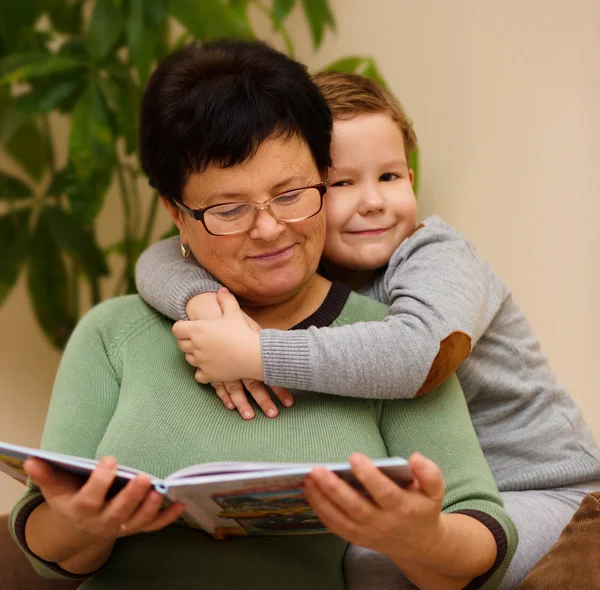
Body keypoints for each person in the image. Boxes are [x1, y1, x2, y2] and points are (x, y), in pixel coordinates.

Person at [9, 41, 516, 590]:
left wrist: (422, 539)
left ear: (323, 175)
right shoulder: (114, 333)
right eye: (229, 210)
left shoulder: (387, 346)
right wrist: (78, 524)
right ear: (176, 214)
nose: (270, 228)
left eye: (292, 193)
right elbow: (44, 545)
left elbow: (483, 535)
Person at [135, 70, 600, 588]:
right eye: (342, 183)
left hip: (551, 494)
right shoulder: (307, 270)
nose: (374, 201)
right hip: (439, 500)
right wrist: (199, 301)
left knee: (370, 562)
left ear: (412, 179)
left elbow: (416, 355)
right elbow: (158, 257)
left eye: (390, 176)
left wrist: (256, 353)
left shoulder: (438, 257)